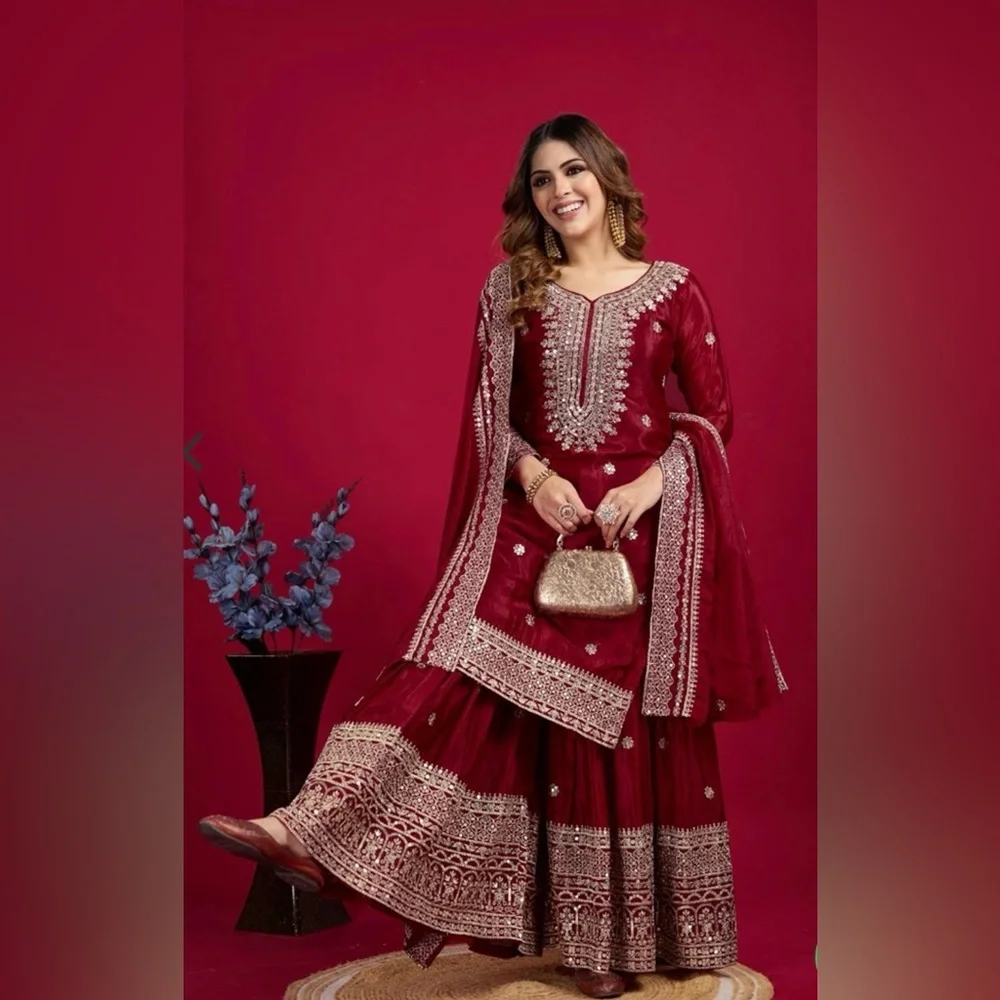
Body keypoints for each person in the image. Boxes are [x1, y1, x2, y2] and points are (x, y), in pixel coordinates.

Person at [199, 113, 787, 999]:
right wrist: (535, 476)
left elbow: (712, 418)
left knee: (610, 731)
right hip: (533, 525)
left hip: (632, 540)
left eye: (572, 171)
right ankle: (305, 831)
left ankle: (606, 947)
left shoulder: (674, 290)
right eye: (542, 180)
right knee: (441, 668)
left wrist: (643, 490)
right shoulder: (512, 289)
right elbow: (489, 417)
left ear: (607, 177)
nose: (560, 191)